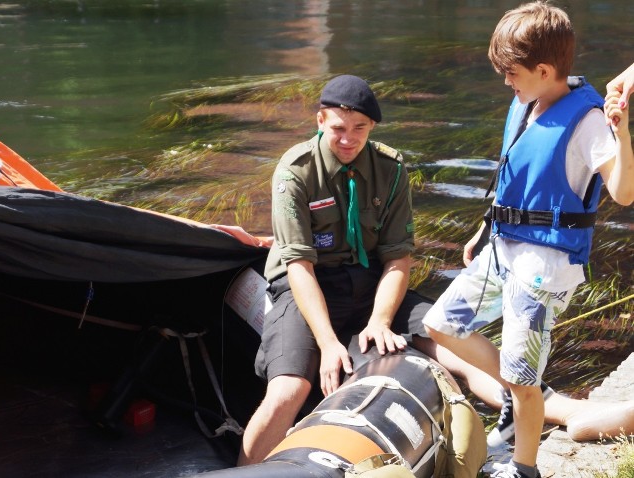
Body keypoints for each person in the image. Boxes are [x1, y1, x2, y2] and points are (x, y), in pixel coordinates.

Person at [422, 3, 634, 478]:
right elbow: (516, 176)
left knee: (523, 379)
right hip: (503, 245)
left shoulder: (589, 123)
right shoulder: (526, 101)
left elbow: (623, 192)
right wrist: (485, 224)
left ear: (543, 69)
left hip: (543, 264)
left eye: (511, 72)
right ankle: (516, 401)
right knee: (441, 323)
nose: (505, 82)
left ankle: (524, 466)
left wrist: (622, 136)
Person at [237, 73, 436, 466]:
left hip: (368, 281)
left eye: (360, 129)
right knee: (288, 390)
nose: (349, 139)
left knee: (448, 336)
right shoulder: (295, 171)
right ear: (320, 122)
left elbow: (398, 257)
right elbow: (298, 266)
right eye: (338, 129)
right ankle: (242, 471)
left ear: (373, 126)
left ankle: (532, 408)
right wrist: (328, 345)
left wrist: (381, 321)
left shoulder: (390, 168)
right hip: (306, 285)